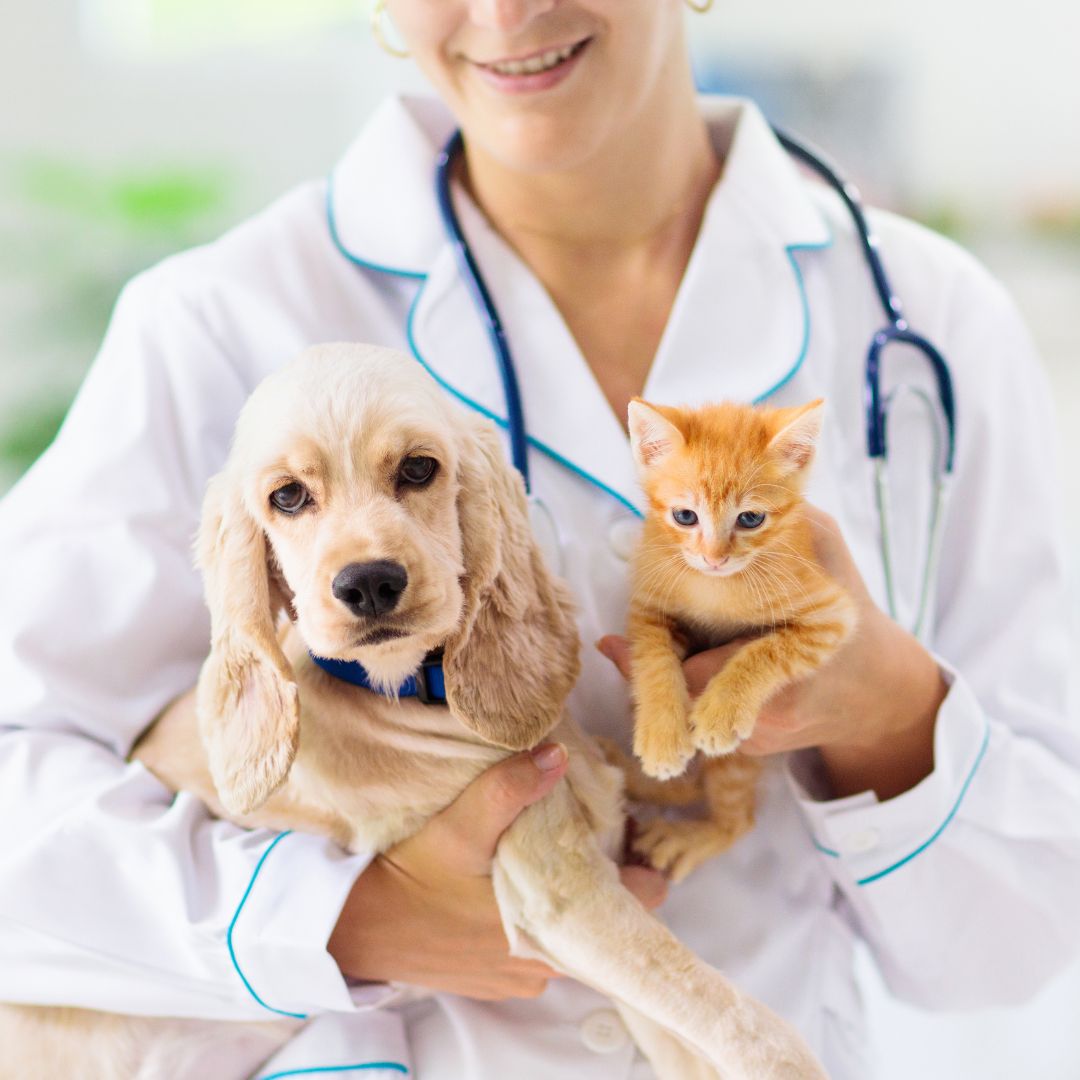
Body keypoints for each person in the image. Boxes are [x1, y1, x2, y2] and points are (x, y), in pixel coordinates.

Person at [1, 1, 1078, 1077]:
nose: (508, 11)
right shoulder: (218, 320)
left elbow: (1015, 950)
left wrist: (890, 709)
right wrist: (341, 920)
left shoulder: (932, 320)